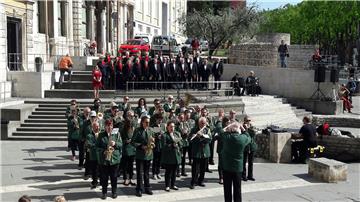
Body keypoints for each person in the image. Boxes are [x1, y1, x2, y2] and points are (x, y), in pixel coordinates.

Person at [221, 122, 251, 202]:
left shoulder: (227, 137)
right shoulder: (242, 138)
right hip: (238, 168)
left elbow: (221, 131)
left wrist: (228, 126)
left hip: (227, 167)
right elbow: (249, 137)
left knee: (227, 189)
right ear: (238, 130)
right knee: (237, 189)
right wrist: (243, 129)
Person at [97, 119, 122, 199]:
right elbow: (97, 147)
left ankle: (114, 192)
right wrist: (103, 151)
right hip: (104, 160)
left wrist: (115, 144)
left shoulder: (117, 134)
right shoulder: (101, 135)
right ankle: (104, 192)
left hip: (114, 159)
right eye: (108, 125)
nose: (109, 127)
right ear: (105, 126)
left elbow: (121, 144)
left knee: (114, 177)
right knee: (104, 177)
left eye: (111, 125)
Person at [131, 116, 155, 197]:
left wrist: (153, 142)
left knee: (147, 173)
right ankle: (139, 189)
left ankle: (147, 188)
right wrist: (141, 146)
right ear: (142, 122)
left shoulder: (150, 130)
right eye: (146, 122)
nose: (148, 124)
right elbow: (133, 142)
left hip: (148, 155)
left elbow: (153, 139)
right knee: (139, 173)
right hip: (140, 155)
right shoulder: (138, 130)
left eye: (149, 122)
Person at [189, 117, 212, 189]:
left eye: (204, 123)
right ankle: (193, 182)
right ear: (199, 123)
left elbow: (209, 140)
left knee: (203, 168)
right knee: (195, 169)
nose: (204, 125)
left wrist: (202, 136)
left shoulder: (207, 129)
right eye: (202, 123)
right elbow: (190, 139)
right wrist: (194, 136)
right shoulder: (194, 129)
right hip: (197, 151)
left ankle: (200, 181)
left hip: (205, 151)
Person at [161, 120, 182, 191]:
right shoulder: (164, 135)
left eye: (173, 126)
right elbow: (163, 147)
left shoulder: (177, 133)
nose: (172, 128)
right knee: (168, 172)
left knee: (174, 172)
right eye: (171, 127)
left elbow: (181, 143)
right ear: (167, 127)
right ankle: (167, 185)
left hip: (176, 156)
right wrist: (171, 145)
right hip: (169, 157)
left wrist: (179, 144)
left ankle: (173, 184)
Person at [121, 110, 137, 186]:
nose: (131, 117)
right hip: (126, 147)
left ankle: (131, 178)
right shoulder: (122, 125)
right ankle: (125, 178)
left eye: (132, 116)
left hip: (132, 147)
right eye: (129, 116)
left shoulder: (134, 125)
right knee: (125, 165)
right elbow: (120, 136)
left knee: (131, 165)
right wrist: (125, 141)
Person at [85, 121, 100, 189]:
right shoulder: (89, 135)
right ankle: (95, 182)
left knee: (102, 169)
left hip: (101, 155)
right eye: (96, 126)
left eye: (98, 126)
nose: (98, 127)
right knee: (94, 170)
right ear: (92, 127)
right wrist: (98, 144)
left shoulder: (101, 134)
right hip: (93, 155)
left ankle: (101, 181)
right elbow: (89, 145)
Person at [242, 116, 257, 181]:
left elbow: (253, 134)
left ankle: (250, 175)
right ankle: (243, 175)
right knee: (244, 162)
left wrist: (249, 129)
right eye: (247, 120)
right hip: (245, 147)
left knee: (251, 162)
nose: (248, 122)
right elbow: (243, 135)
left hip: (251, 146)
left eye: (249, 120)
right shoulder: (242, 127)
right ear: (244, 121)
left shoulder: (252, 127)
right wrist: (246, 129)